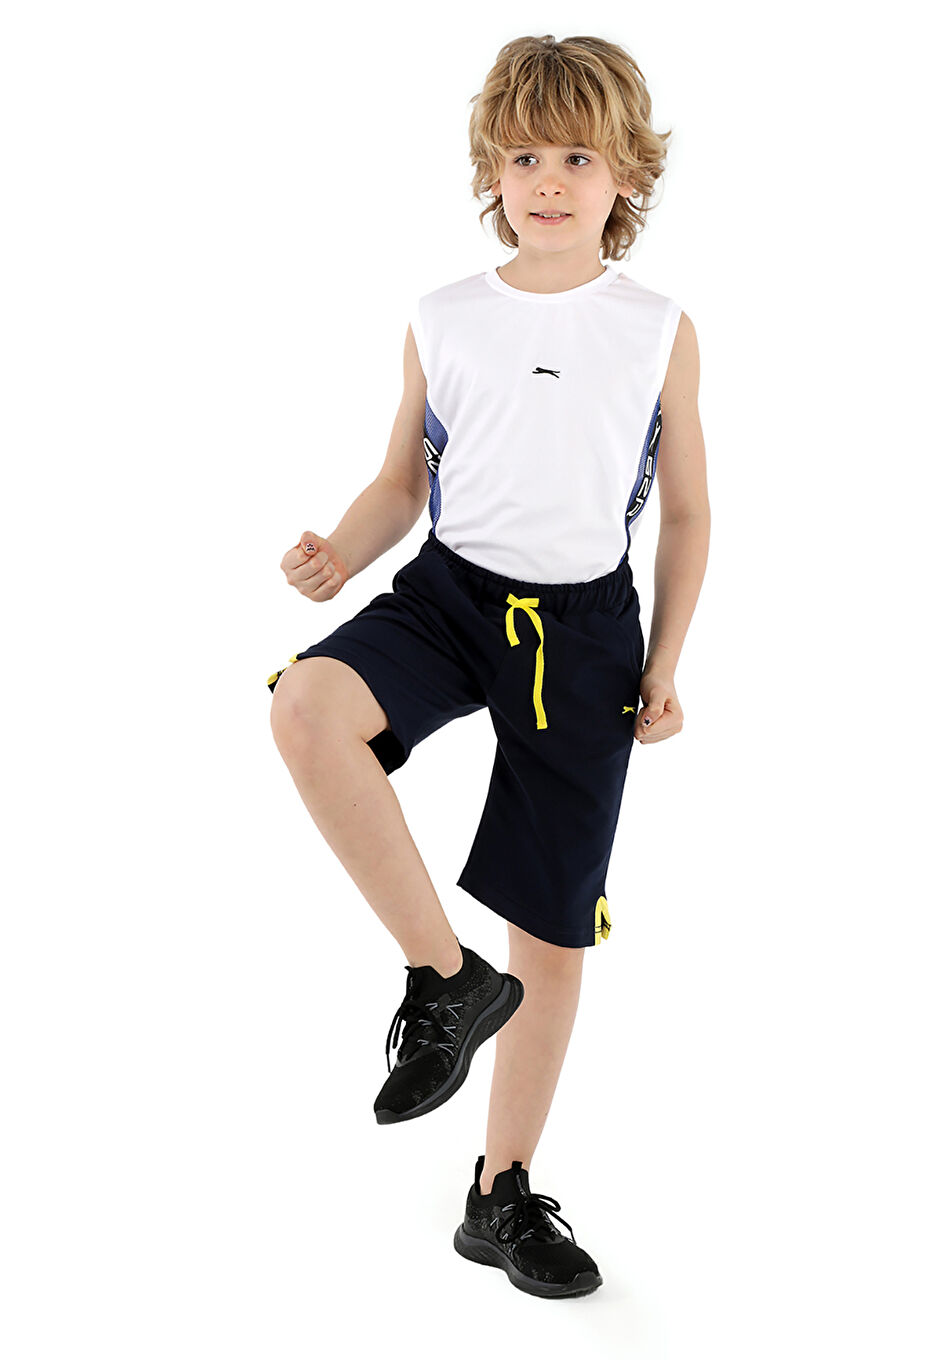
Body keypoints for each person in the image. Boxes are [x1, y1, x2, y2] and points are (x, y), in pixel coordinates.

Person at [266, 33, 709, 1299]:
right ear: (490, 173)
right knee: (308, 706)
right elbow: (402, 481)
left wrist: (666, 660)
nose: (548, 181)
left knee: (552, 933)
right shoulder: (443, 315)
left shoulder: (658, 329)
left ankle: (500, 1193)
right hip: (451, 597)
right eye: (523, 158)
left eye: (577, 157)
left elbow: (686, 511)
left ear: (627, 174)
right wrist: (340, 552)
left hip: (586, 634)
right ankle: (445, 976)